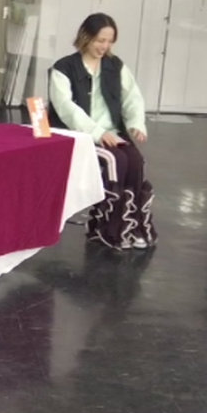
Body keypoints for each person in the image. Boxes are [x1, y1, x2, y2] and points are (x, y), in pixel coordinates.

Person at [48, 13, 156, 251]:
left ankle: (135, 227)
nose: (104, 46)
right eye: (100, 40)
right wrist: (97, 132)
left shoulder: (115, 66)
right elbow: (66, 109)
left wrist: (136, 123)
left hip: (112, 132)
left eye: (109, 41)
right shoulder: (63, 68)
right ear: (85, 37)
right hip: (80, 135)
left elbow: (132, 97)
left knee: (136, 162)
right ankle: (107, 229)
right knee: (116, 162)